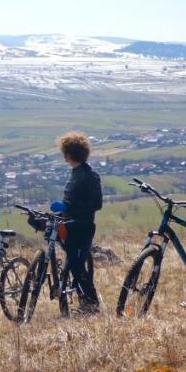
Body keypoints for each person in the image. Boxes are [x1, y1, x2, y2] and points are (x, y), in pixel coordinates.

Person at [56, 131, 102, 313]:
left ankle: (91, 303)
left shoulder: (89, 176)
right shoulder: (76, 172)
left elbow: (96, 204)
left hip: (82, 226)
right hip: (70, 224)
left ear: (68, 154)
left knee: (76, 264)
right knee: (73, 262)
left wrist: (69, 207)